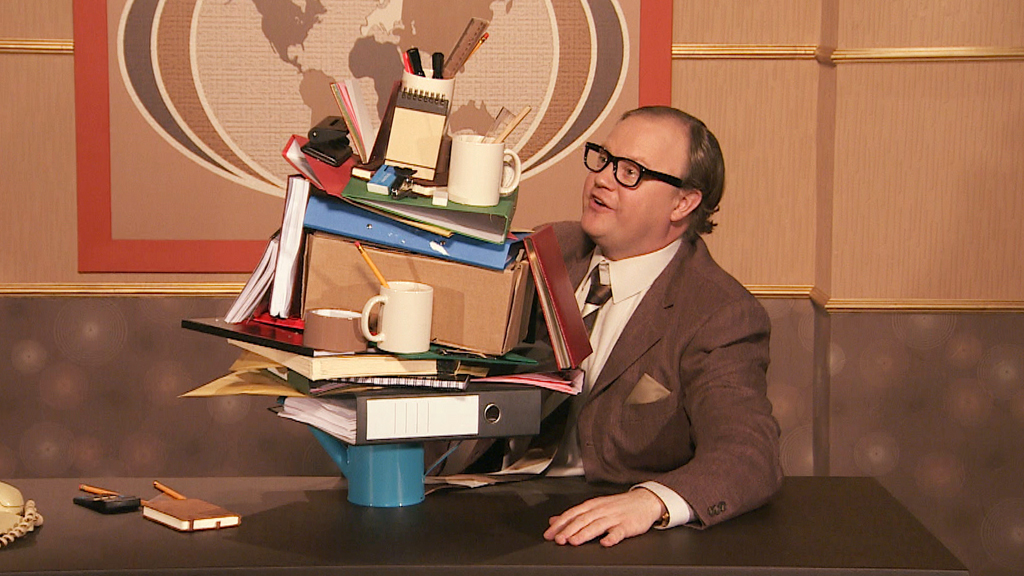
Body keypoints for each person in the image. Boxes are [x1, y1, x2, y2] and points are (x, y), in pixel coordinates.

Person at [533, 106, 783, 546]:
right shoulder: (550, 247)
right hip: (497, 497)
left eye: (631, 171)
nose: (603, 179)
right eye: (603, 159)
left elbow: (749, 454)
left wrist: (651, 501)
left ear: (683, 203)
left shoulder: (719, 313)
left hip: (614, 528)